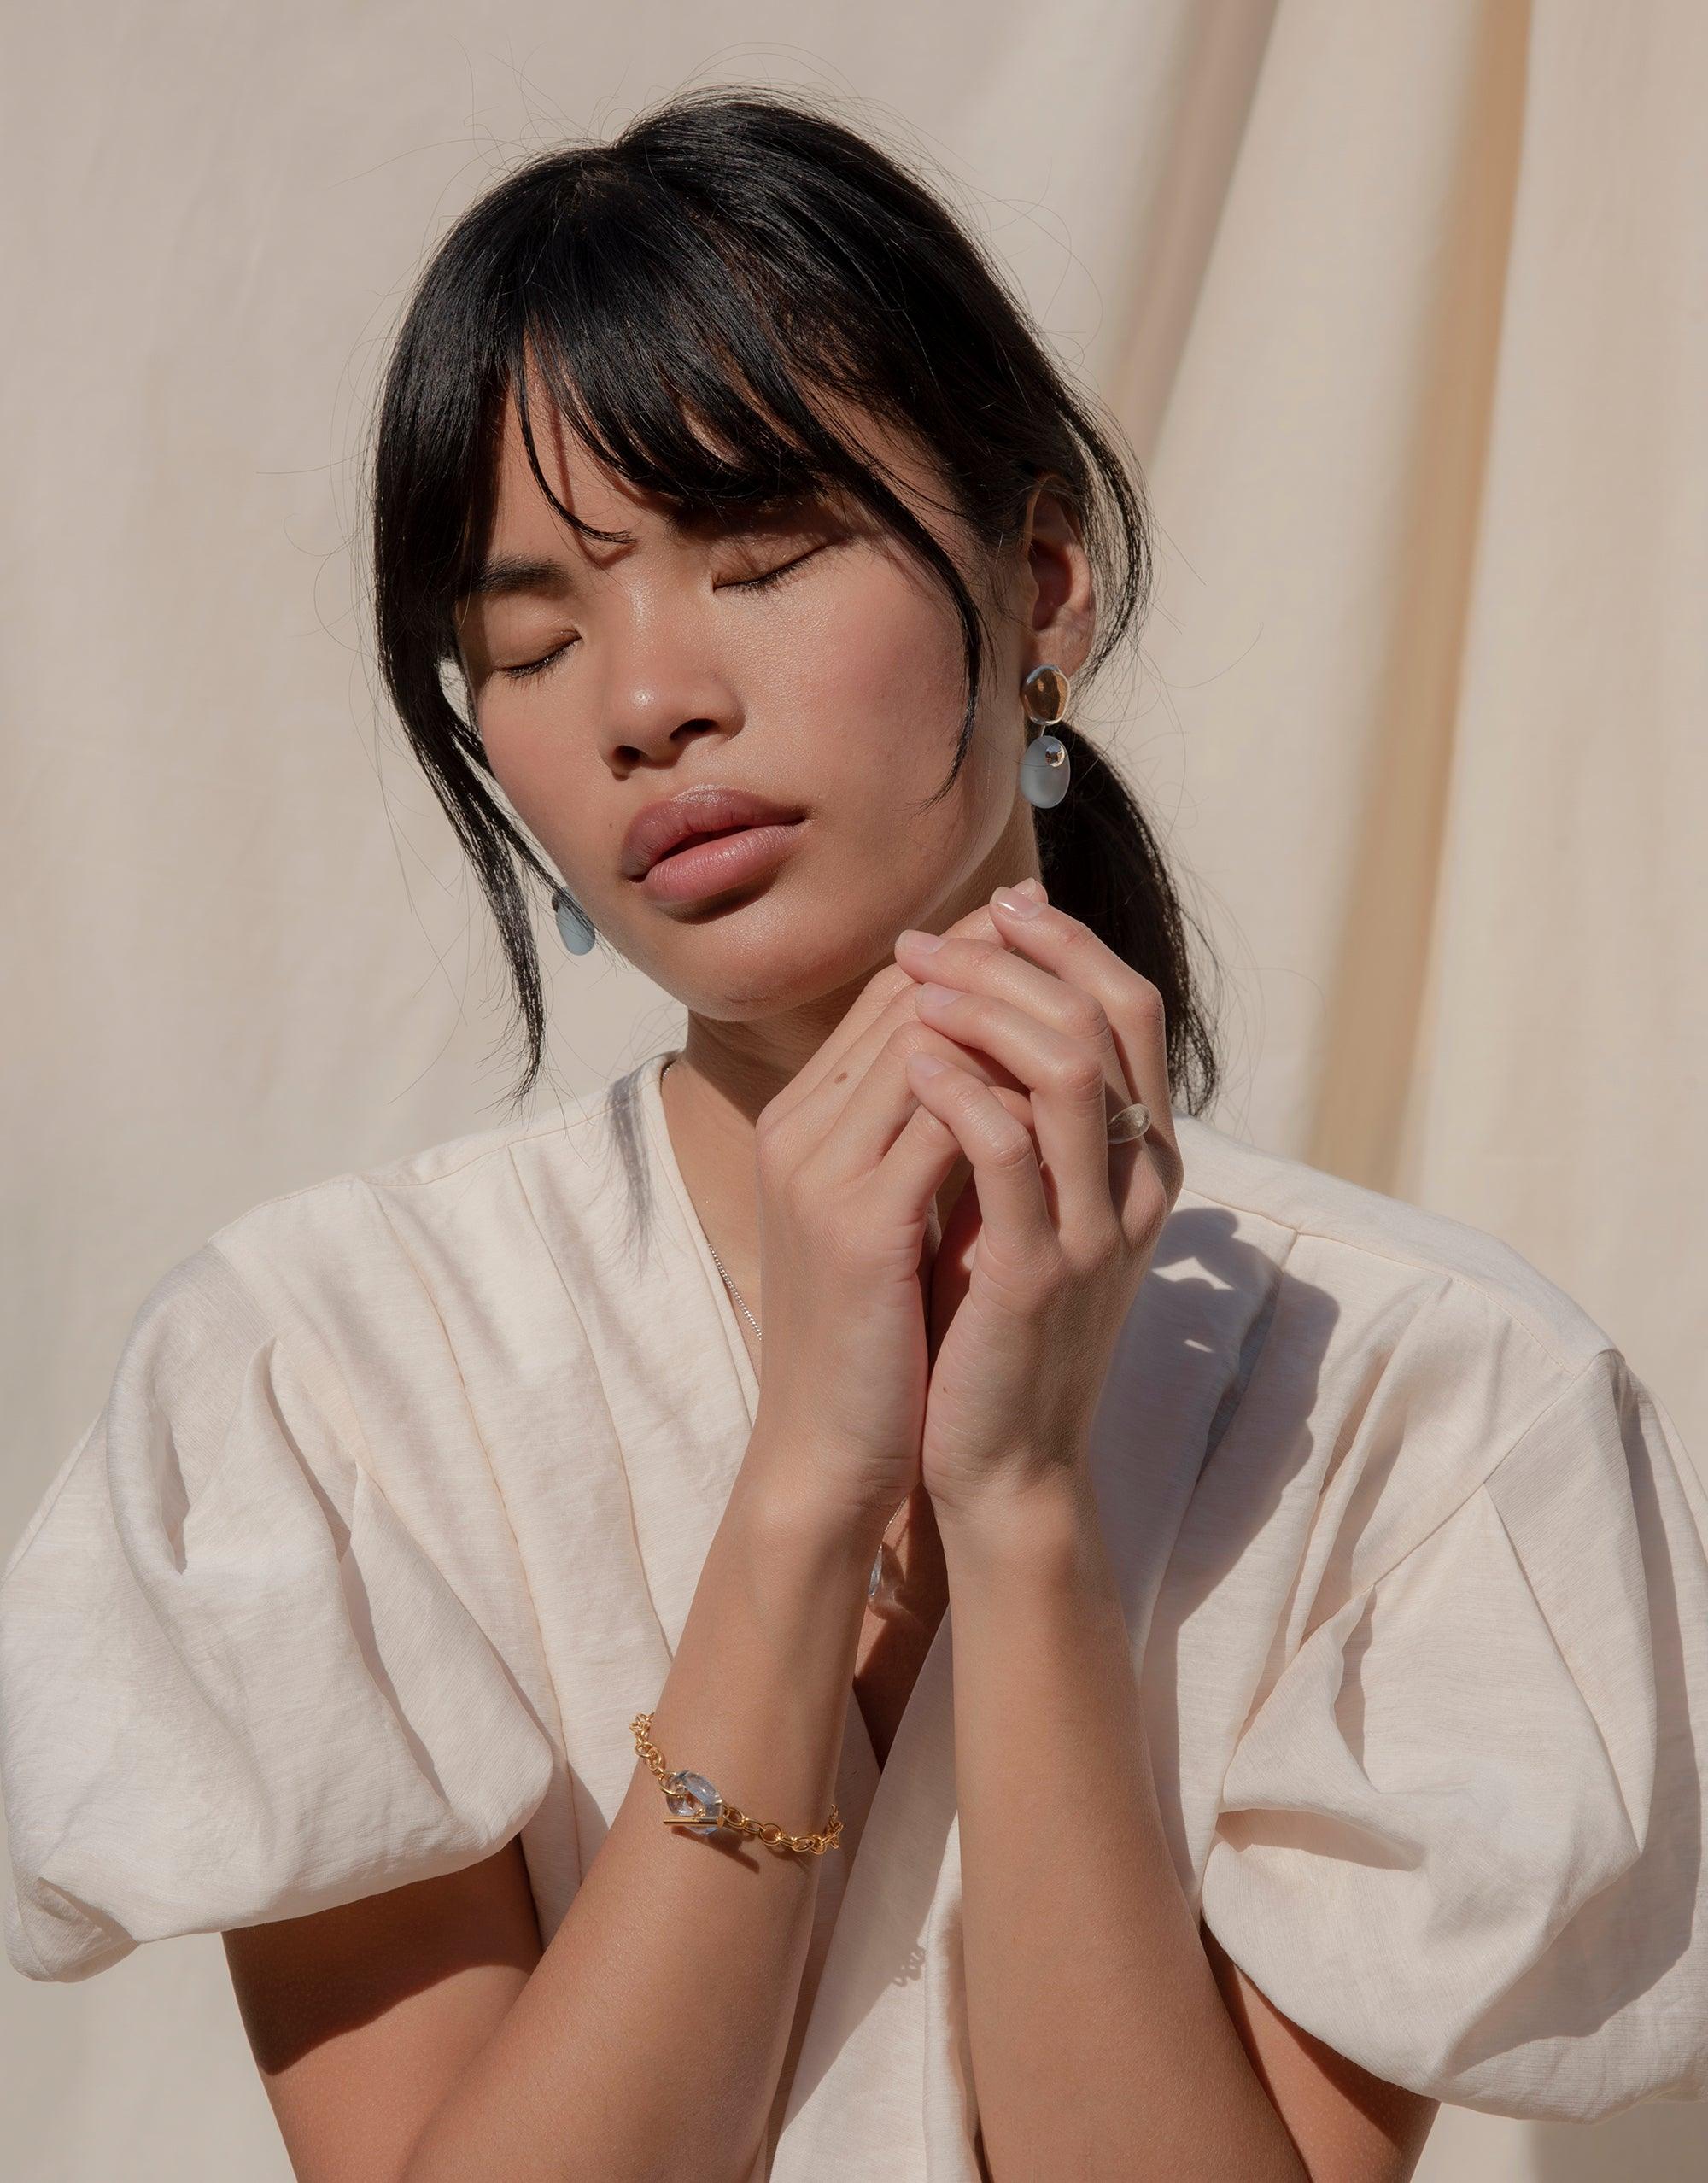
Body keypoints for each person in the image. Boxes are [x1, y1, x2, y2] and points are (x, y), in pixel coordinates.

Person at [3, 84, 1705, 2183]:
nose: (647, 699)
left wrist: (1017, 1513)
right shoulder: (319, 1380)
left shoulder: (1430, 1404)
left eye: (762, 554)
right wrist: (804, 1495)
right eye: (532, 636)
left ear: (1044, 579)